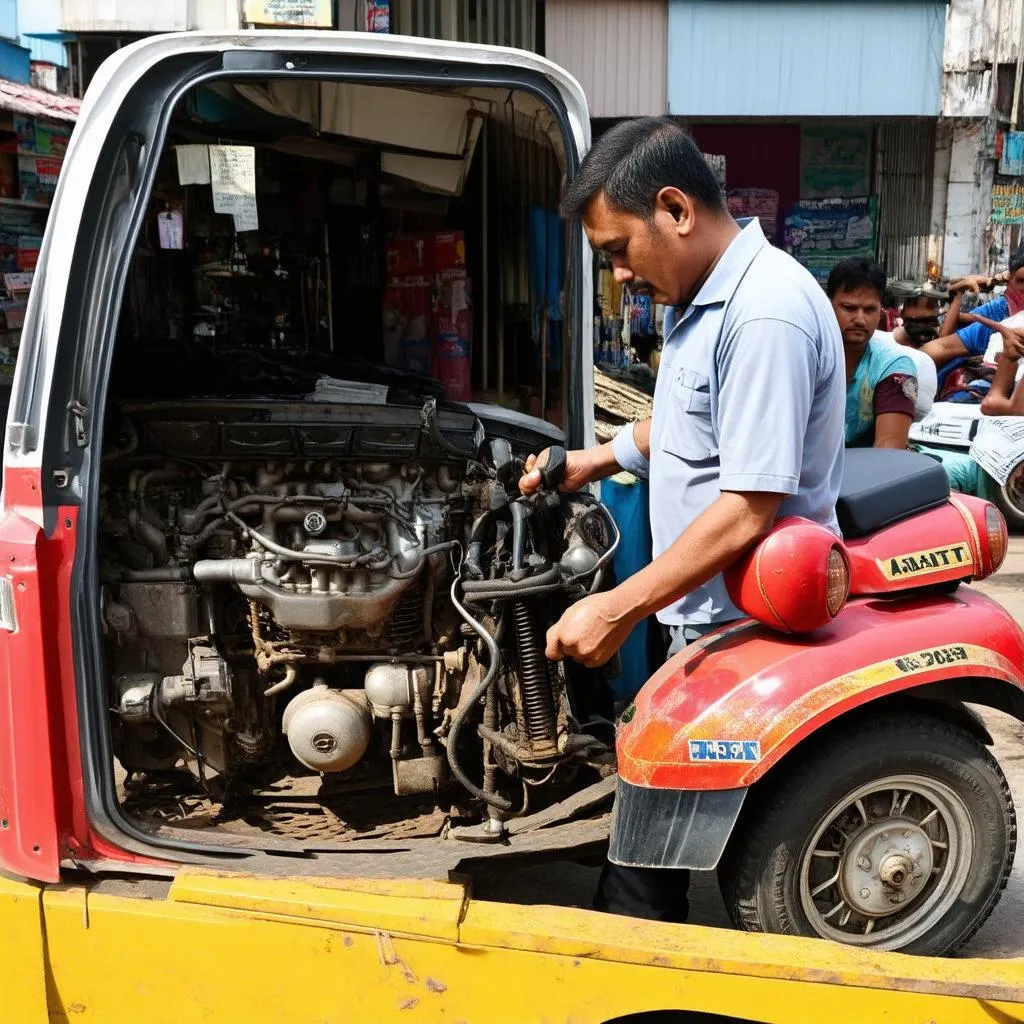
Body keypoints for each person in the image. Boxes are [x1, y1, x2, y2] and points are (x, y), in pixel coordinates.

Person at [518, 116, 845, 924]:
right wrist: (598, 457)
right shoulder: (701, 300)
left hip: (745, 635)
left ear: (675, 209)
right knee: (653, 825)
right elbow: (692, 423)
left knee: (653, 842)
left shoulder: (764, 313)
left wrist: (617, 606)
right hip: (699, 618)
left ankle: (639, 971)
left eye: (618, 250)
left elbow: (746, 508)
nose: (620, 275)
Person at [826, 258, 918, 449]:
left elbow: (888, 454)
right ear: (827, 306)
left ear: (880, 312)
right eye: (849, 308)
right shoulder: (805, 356)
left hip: (868, 473)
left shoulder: (894, 366)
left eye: (869, 309)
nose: (860, 319)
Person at [922, 252, 1024, 392]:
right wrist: (957, 292)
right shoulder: (996, 318)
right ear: (1009, 281)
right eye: (1022, 281)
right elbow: (940, 347)